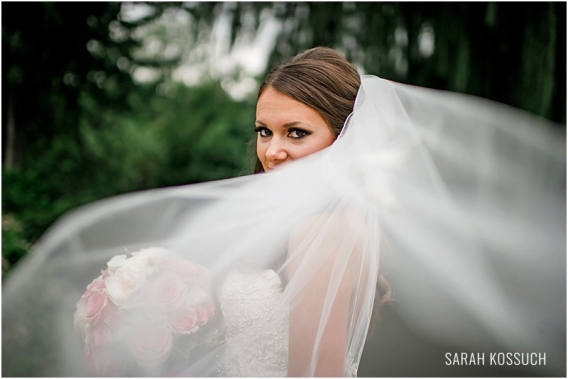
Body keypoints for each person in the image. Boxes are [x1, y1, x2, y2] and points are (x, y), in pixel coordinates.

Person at [2, 47, 565, 377]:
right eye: (264, 131)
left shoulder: (322, 228)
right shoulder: (316, 222)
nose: (272, 151)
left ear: (345, 138)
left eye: (297, 133)